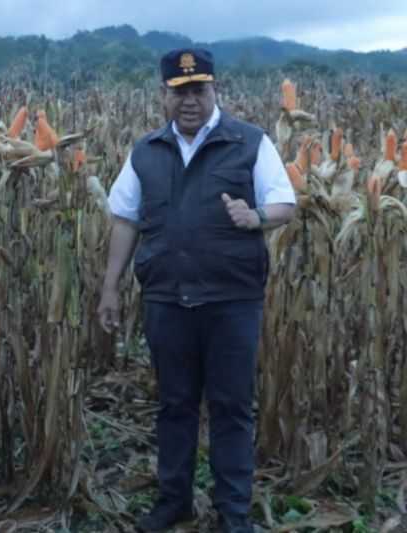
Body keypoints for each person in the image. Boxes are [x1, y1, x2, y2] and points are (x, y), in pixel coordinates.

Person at [97, 48, 296, 533]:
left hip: (231, 300)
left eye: (199, 90)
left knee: (230, 406)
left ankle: (233, 514)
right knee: (174, 404)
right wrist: (111, 288)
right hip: (167, 298)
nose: (190, 101)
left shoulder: (250, 142)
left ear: (215, 91)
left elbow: (285, 203)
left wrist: (256, 218)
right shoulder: (145, 151)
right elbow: (125, 219)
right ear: (164, 95)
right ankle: (174, 501)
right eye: (179, 92)